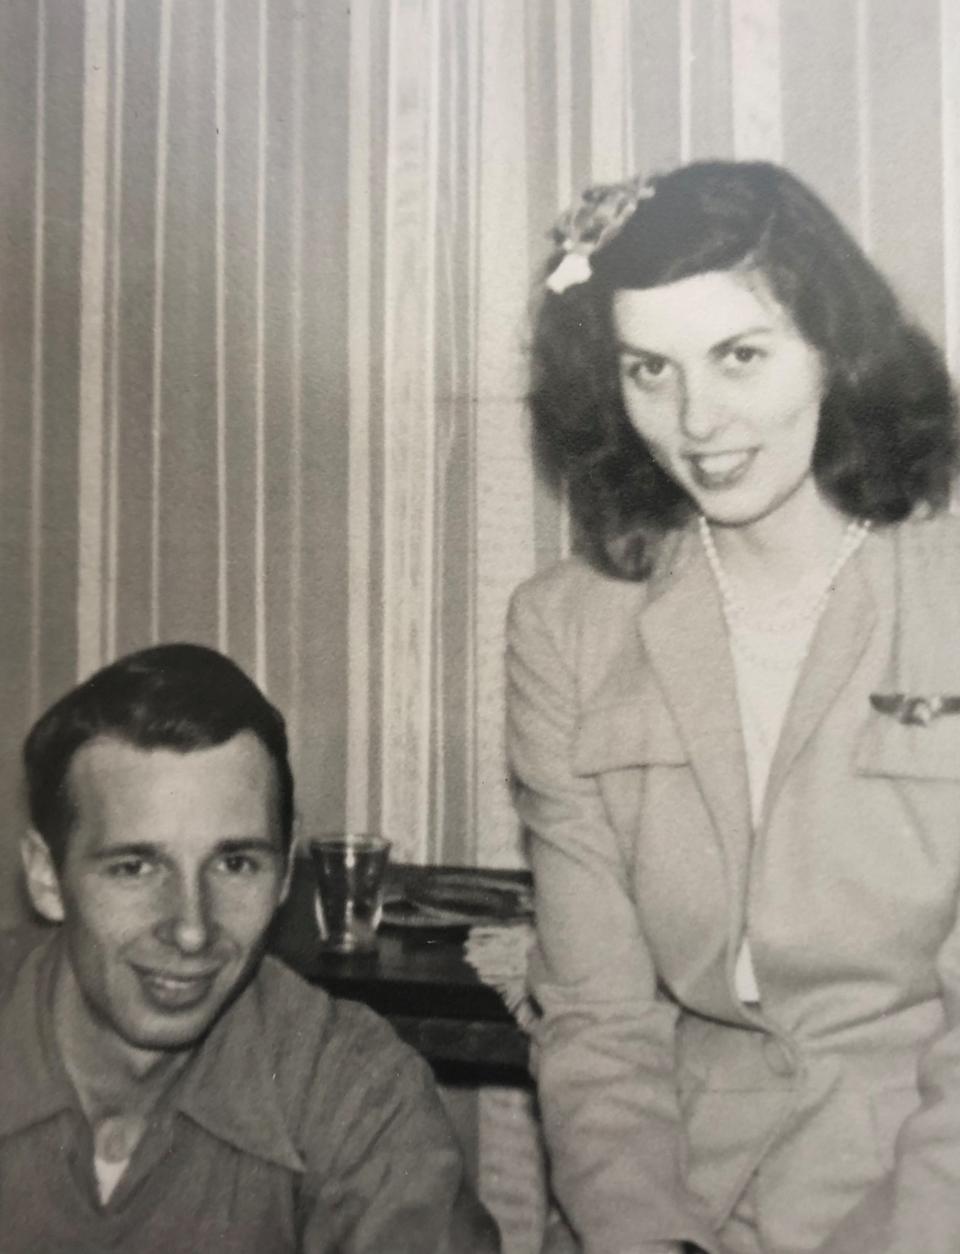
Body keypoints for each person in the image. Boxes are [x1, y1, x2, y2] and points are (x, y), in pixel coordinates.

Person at [506, 159, 960, 1254]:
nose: (697, 420)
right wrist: (641, 1236)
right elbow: (597, 1022)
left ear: (836, 350)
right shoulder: (566, 630)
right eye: (648, 370)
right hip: (669, 1203)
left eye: (740, 356)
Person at [0, 642, 500, 1254]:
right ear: (47, 877)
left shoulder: (352, 1090)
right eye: (135, 867)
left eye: (235, 863)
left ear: (286, 875)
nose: (191, 928)